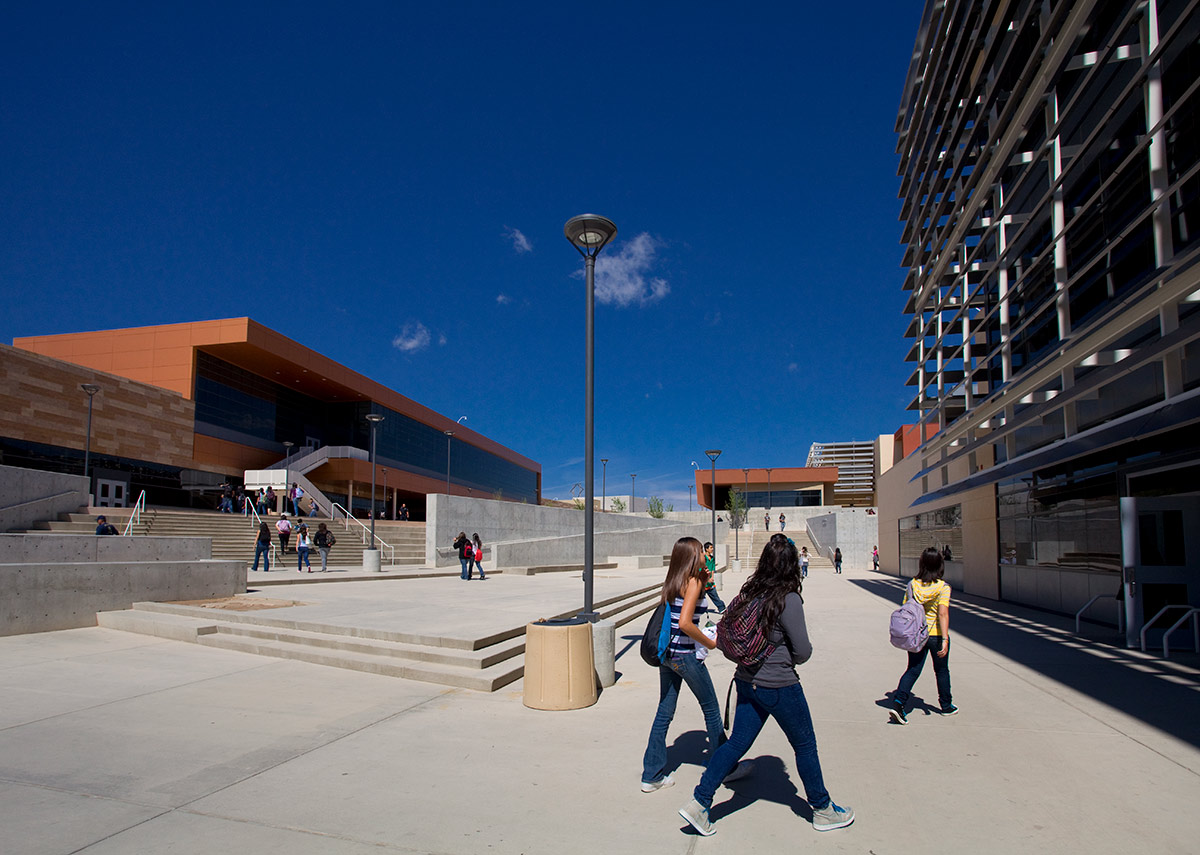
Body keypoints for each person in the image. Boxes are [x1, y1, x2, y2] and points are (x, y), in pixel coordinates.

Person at [678, 534, 854, 836]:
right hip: (780, 685)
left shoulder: (751, 593)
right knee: (805, 745)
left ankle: (700, 803)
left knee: (735, 744)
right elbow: (803, 651)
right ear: (790, 566)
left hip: (747, 682)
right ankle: (823, 809)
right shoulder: (788, 598)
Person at [641, 537, 751, 794]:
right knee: (712, 710)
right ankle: (726, 768)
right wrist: (710, 642)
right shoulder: (692, 582)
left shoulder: (674, 581)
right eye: (701, 551)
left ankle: (652, 774)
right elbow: (686, 624)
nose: (705, 554)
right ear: (692, 556)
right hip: (685, 657)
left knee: (664, 712)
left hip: (668, 655)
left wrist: (706, 574)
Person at [888, 547, 957, 724]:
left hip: (917, 635)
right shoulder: (943, 587)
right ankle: (946, 706)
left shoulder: (913, 584)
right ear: (940, 565)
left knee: (913, 670)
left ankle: (898, 703)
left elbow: (906, 607)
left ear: (922, 564)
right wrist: (945, 638)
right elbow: (943, 614)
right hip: (935, 635)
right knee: (941, 670)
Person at [702, 542, 726, 612]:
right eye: (711, 548)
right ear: (706, 549)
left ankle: (722, 608)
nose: (712, 549)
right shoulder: (703, 559)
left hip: (710, 582)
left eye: (712, 547)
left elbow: (712, 569)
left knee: (715, 596)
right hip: (703, 582)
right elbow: (701, 570)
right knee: (699, 598)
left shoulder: (712, 558)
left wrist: (712, 578)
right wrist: (706, 580)